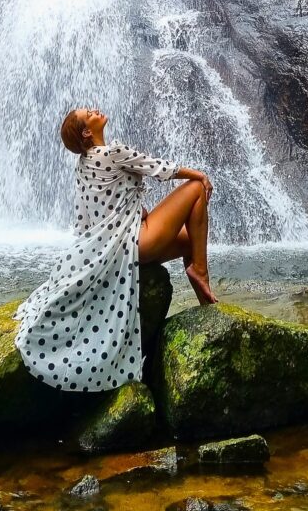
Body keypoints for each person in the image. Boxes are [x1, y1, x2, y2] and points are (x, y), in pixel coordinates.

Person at [15, 107, 217, 393]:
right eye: (89, 113)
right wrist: (200, 174)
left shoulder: (83, 165)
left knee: (191, 240)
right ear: (87, 132)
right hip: (138, 242)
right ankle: (200, 272)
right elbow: (159, 168)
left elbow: (87, 218)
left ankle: (203, 295)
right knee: (195, 188)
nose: (95, 110)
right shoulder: (113, 152)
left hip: (120, 249)